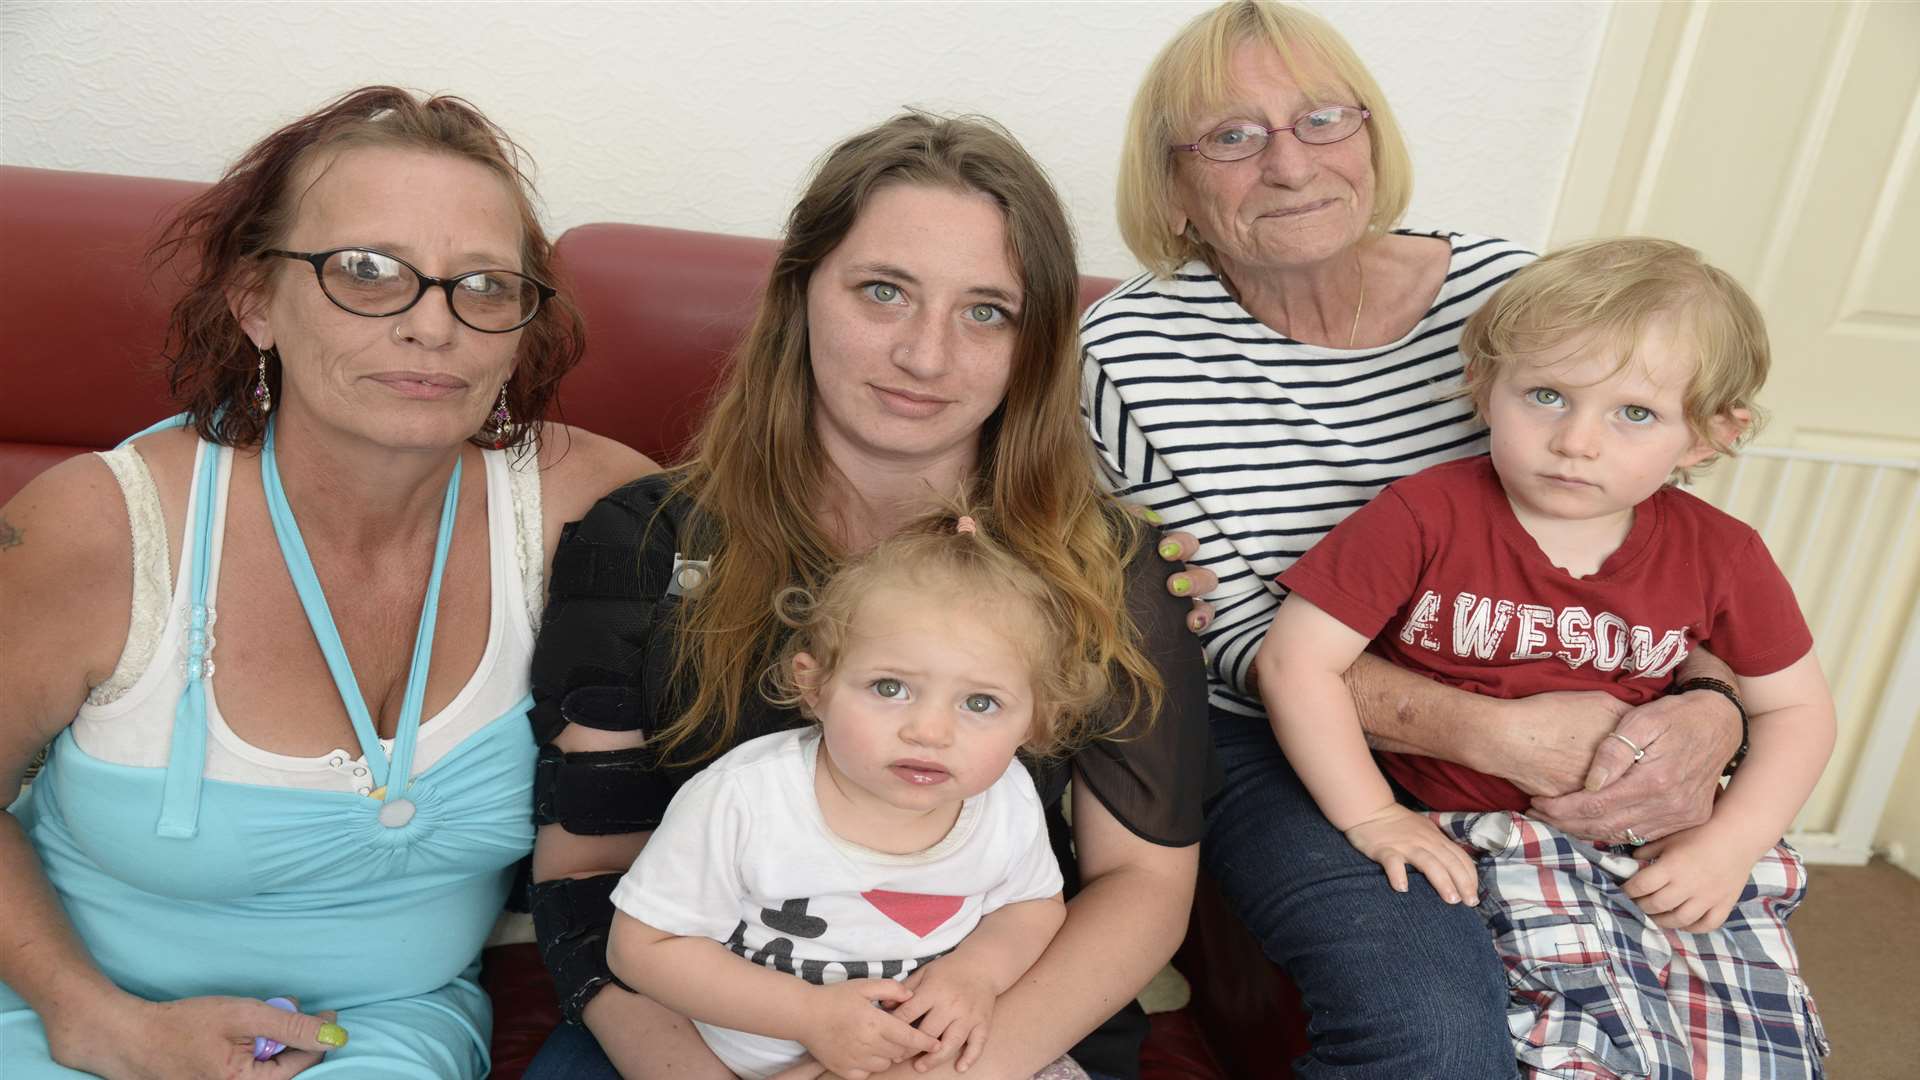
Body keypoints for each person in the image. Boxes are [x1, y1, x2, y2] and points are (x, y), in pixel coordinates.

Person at [1082, 3, 1748, 1074]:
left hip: (1568, 687)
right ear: (1174, 187)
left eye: (1323, 119)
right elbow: (1233, 635)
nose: (1290, 165)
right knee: (1430, 1030)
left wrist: (1713, 712)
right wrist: (1487, 732)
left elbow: (1669, 538)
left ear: (1374, 136)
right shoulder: (1131, 354)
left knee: (1702, 1009)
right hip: (1278, 733)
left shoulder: (1514, 298)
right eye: (1232, 137)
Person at [526, 111, 1209, 1080]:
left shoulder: (1117, 565)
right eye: (884, 292)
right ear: (801, 293)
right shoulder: (642, 542)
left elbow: (1141, 885)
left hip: (1000, 1042)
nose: (925, 356)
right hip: (693, 1037)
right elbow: (588, 878)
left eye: (987, 311)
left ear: (1038, 340)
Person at [0, 87, 651, 1078]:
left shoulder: (590, 511)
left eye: (481, 284)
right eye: (366, 271)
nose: (434, 327)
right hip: (74, 1017)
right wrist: (88, 1014)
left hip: (381, 1033)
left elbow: (832, 619)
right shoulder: (96, 532)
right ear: (255, 300)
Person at [1263, 237, 1834, 1076]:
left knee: (1755, 1045)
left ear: (1710, 436)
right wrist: (1372, 815)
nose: (1577, 441)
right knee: (1576, 1048)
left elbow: (1796, 709)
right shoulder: (1422, 514)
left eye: (1633, 414)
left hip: (1665, 839)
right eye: (1546, 396)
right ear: (1483, 389)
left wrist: (1733, 844)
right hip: (1481, 839)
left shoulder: (1725, 552)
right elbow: (1294, 663)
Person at [609, 510, 1108, 1080]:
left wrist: (977, 973)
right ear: (814, 685)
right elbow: (641, 948)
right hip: (761, 1062)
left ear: (1035, 723)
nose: (930, 731)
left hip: (942, 1059)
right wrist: (808, 1014)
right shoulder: (745, 800)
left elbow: (1030, 905)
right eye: (890, 688)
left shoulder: (1005, 799)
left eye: (980, 703)